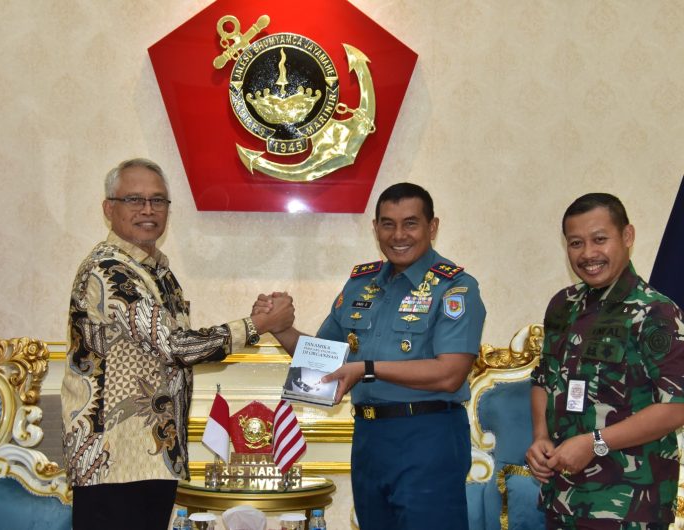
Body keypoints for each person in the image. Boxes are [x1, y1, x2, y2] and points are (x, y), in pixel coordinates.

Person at [61, 158, 294, 530]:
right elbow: (176, 347)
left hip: (153, 457)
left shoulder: (158, 272)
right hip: (112, 460)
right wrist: (258, 325)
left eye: (158, 200)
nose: (148, 210)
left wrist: (257, 323)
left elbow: (178, 349)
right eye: (134, 199)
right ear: (109, 208)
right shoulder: (108, 270)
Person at [256, 182, 486, 529]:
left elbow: (450, 373)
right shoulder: (361, 284)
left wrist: (366, 369)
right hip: (369, 437)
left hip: (428, 436)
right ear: (376, 228)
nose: (398, 235)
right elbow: (324, 362)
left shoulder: (455, 288)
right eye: (388, 224)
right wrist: (280, 327)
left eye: (410, 223)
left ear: (432, 227)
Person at [525, 193, 684, 530]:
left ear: (627, 236)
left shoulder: (655, 312)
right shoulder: (562, 305)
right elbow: (543, 379)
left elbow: (677, 407)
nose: (588, 254)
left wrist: (595, 443)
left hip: (629, 504)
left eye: (599, 239)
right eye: (576, 243)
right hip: (563, 496)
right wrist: (540, 436)